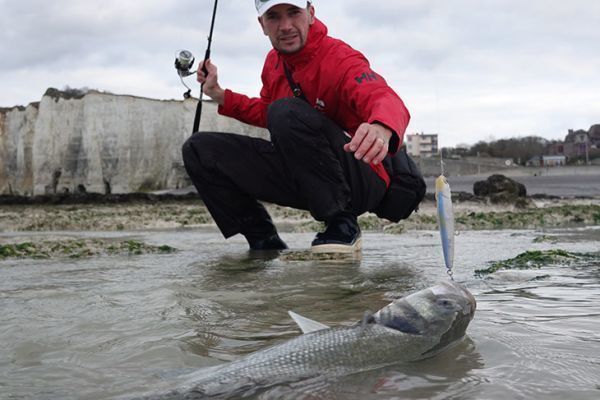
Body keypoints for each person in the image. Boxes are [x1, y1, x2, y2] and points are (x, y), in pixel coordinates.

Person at [182, 0, 411, 253]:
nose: (285, 26)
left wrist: (381, 126)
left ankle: (341, 224)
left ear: (311, 14)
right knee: (198, 148)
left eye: (293, 13)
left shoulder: (339, 57)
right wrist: (218, 93)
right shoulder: (273, 63)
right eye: (274, 17)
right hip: (307, 175)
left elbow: (382, 95)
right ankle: (263, 239)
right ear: (262, 24)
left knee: (285, 110)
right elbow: (269, 114)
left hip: (362, 177)